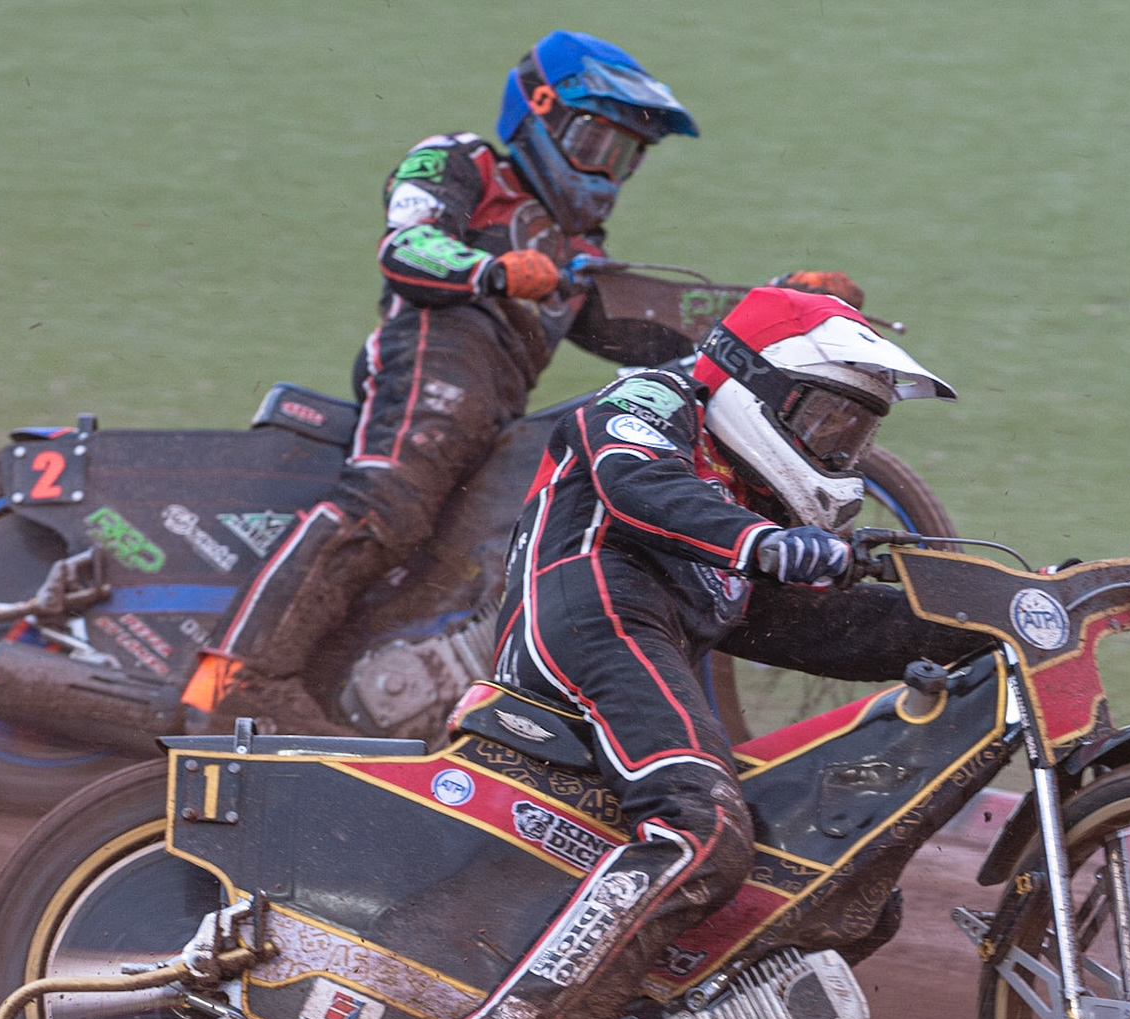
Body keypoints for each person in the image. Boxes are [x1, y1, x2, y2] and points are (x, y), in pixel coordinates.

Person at [401, 287, 1130, 1019]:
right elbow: (633, 486)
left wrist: (1044, 607)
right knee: (704, 828)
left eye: (855, 430)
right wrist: (763, 542)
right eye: (822, 416)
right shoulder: (654, 401)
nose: (837, 447)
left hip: (664, 617)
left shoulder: (747, 505)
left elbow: (841, 628)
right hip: (588, 607)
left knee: (844, 878)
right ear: (750, 385)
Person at [178, 30, 866, 733]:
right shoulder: (461, 160)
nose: (607, 174)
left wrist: (787, 303)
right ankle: (241, 673)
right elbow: (405, 247)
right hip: (430, 366)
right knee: (390, 500)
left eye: (625, 157)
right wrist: (493, 271)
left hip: (497, 413)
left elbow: (666, 321)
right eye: (597, 145)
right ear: (539, 113)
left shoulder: (577, 260)